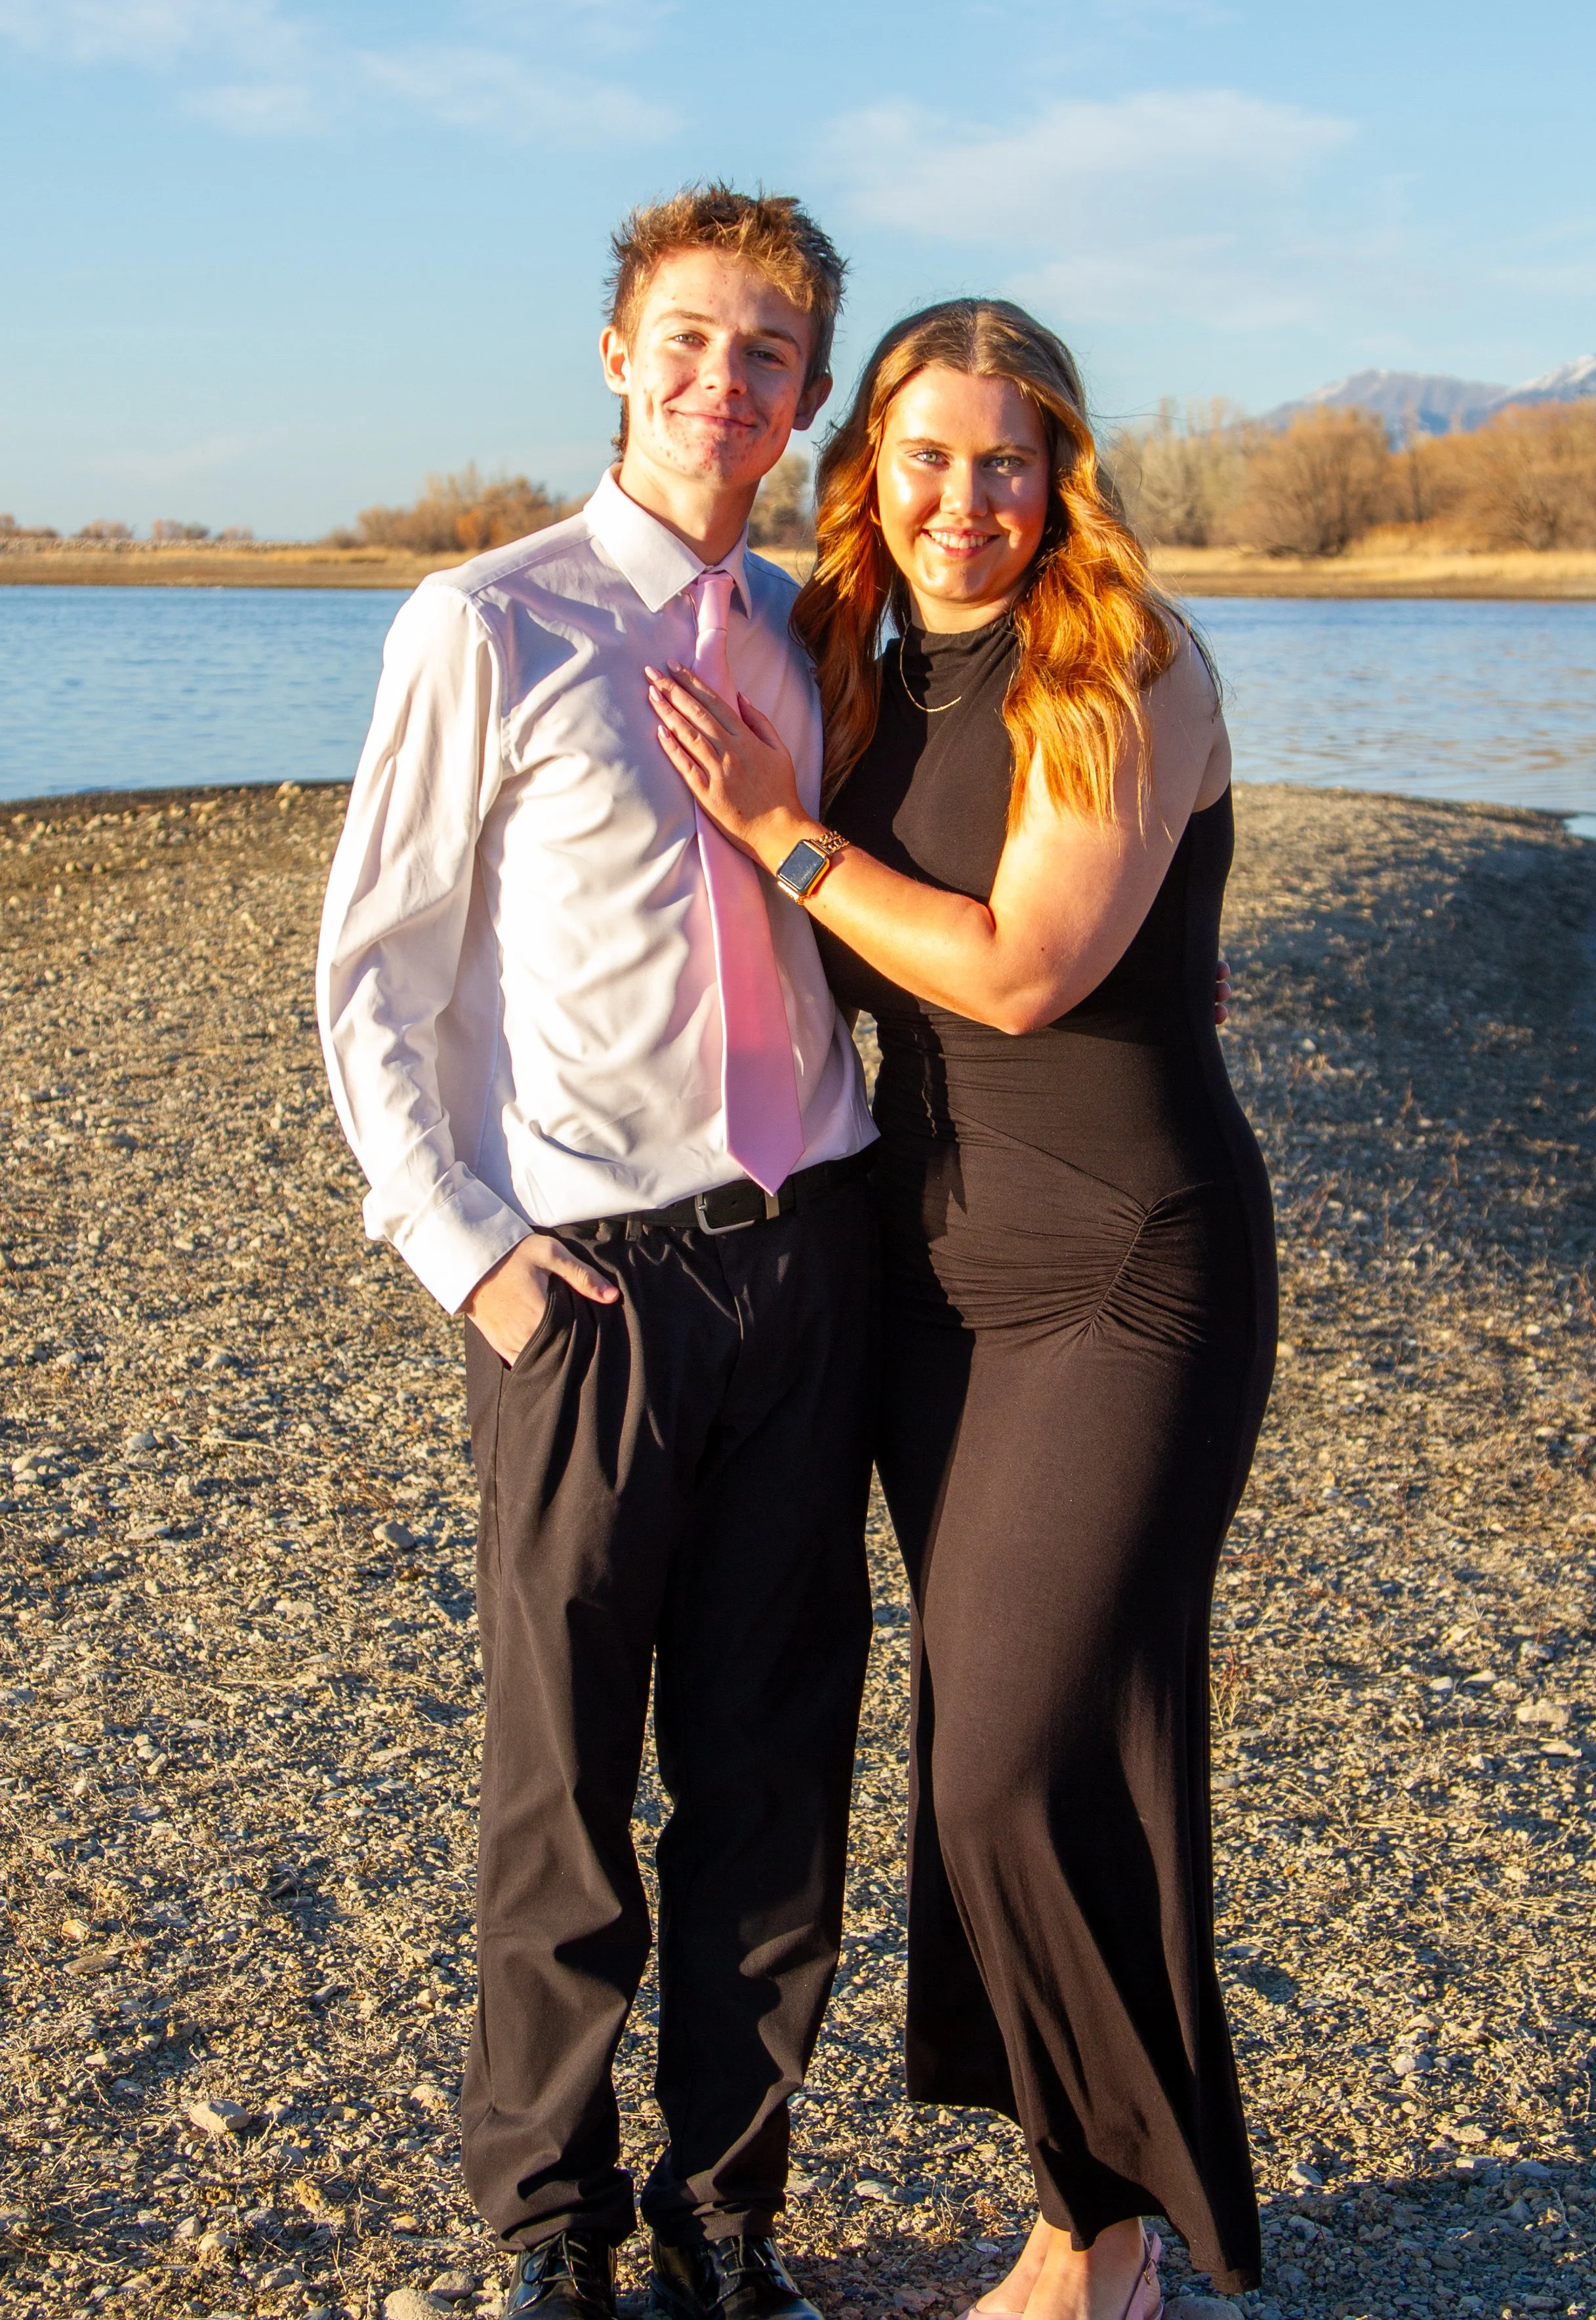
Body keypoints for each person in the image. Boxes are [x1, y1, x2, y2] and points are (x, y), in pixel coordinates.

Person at [647, 298, 1278, 2320]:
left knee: (1006, 1748)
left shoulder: (1127, 662)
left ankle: (1099, 2242)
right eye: (923, 455)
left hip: (1130, 1269)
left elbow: (1015, 968)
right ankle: (1098, 2200)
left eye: (1004, 460)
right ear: (868, 470)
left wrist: (779, 828)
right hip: (931, 1284)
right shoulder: (853, 659)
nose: (962, 499)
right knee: (1052, 1737)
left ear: (1060, 472)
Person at [316, 187, 882, 2320]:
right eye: (689, 339)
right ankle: (547, 2231)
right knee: (560, 1786)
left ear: (808, 395)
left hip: (806, 1265)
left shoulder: (823, 634)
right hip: (592, 1289)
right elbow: (369, 977)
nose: (723, 383)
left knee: (770, 1764)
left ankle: (729, 2217)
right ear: (621, 356)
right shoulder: (491, 621)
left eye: (767, 355)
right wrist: (462, 1247)